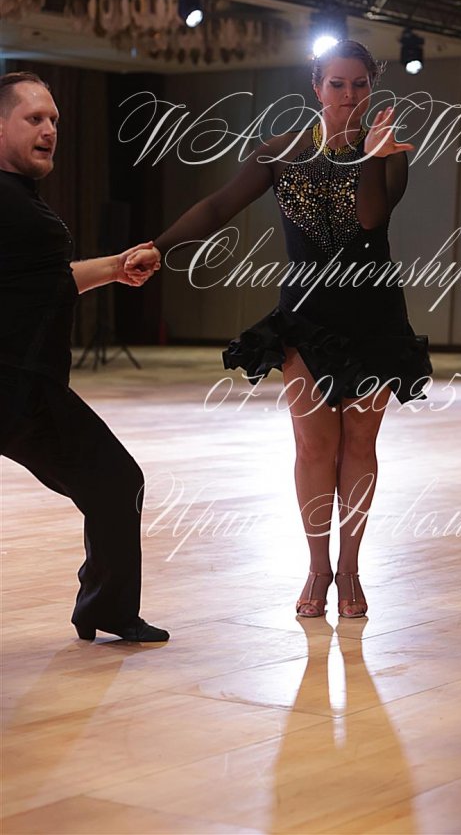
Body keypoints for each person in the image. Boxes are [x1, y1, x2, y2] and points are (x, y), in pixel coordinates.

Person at [127, 41, 432, 618]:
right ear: (316, 87)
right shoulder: (280, 152)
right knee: (313, 447)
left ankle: (350, 567)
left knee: (359, 446)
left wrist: (372, 156)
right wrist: (159, 247)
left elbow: (370, 221)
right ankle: (317, 567)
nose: (349, 96)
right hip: (306, 315)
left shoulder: (390, 153)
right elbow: (218, 206)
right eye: (337, 84)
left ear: (372, 88)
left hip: (373, 316)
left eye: (360, 85)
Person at [0, 71, 169, 642]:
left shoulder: (19, 200)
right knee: (116, 482)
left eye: (54, 119)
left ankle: (105, 606)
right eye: (34, 119)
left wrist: (117, 267)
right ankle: (106, 608)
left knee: (112, 484)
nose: (49, 130)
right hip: (20, 389)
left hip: (26, 387)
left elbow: (48, 280)